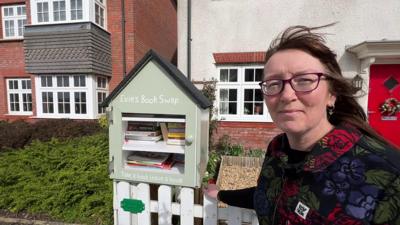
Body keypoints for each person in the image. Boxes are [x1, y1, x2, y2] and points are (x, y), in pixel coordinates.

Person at [204, 24, 400, 225]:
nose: (287, 95)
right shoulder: (277, 150)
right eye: (273, 84)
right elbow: (272, 193)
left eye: (305, 80)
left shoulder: (389, 175)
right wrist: (221, 194)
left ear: (332, 94)